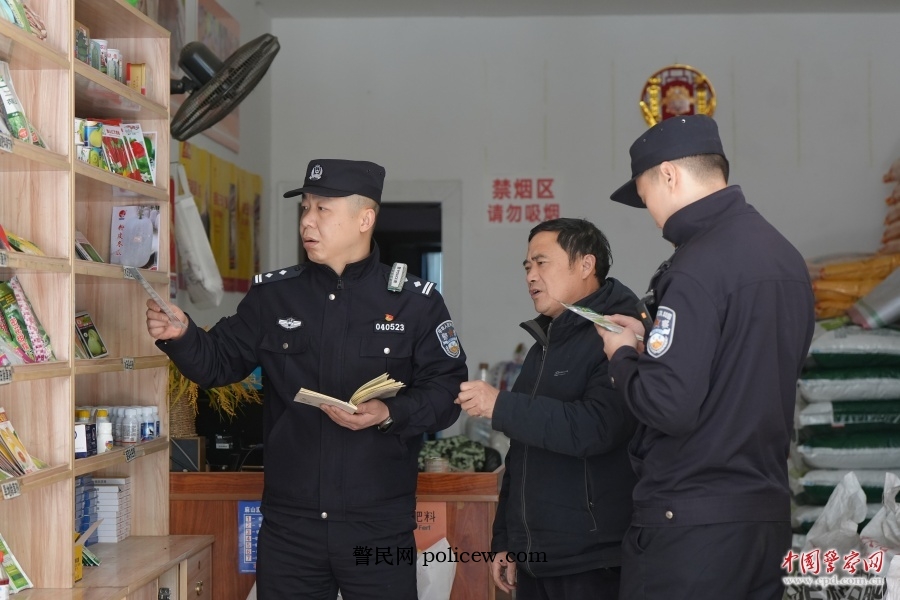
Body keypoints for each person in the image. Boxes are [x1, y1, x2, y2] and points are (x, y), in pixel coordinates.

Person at [146, 159, 467, 599]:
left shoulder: (416, 303)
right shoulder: (275, 296)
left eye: (322, 209)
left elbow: (447, 391)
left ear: (364, 219)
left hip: (378, 524)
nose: (307, 221)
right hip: (290, 527)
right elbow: (217, 363)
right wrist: (182, 335)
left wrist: (389, 412)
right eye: (305, 208)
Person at [598, 115, 815, 600]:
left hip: (691, 531)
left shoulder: (695, 265)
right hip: (765, 523)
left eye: (645, 196)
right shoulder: (785, 258)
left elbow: (667, 405)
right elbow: (739, 369)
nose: (651, 214)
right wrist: (656, 343)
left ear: (669, 175)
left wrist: (623, 354)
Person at [455, 217, 639, 600]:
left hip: (593, 560)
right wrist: (506, 540)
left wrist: (501, 405)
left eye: (542, 263)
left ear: (586, 265)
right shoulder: (546, 342)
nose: (531, 276)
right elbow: (521, 450)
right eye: (527, 266)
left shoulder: (618, 334)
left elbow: (596, 427)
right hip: (535, 559)